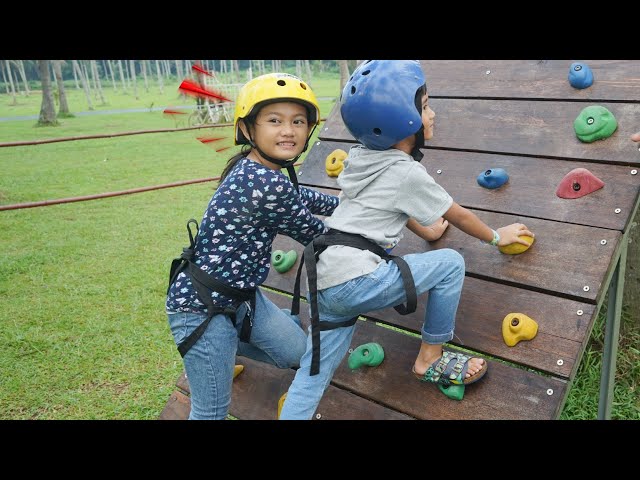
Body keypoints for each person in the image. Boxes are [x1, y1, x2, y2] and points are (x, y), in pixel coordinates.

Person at [279, 60, 535, 420]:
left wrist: (428, 230)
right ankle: (430, 355)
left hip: (323, 282)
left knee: (313, 373)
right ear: (403, 121)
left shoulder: (362, 159)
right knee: (450, 264)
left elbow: (389, 205)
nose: (432, 113)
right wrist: (496, 236)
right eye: (426, 105)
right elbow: (457, 213)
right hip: (355, 278)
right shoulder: (406, 171)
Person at [165, 72, 340, 420]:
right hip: (202, 309)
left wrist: (341, 202)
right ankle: (215, 350)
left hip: (243, 299)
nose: (288, 130)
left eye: (298, 121)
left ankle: (221, 351)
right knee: (211, 411)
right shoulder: (263, 183)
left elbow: (299, 195)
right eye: (274, 121)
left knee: (297, 352)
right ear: (248, 130)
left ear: (309, 130)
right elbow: (317, 236)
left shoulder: (259, 171)